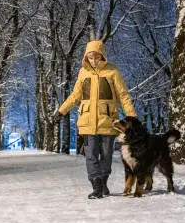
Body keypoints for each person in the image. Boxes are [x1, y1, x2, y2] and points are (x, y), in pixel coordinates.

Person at [54, 40, 137, 199]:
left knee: (106, 155)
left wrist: (132, 117)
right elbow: (75, 96)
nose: (93, 60)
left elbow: (123, 95)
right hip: (87, 123)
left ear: (102, 56)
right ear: (86, 57)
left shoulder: (113, 71)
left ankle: (103, 180)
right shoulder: (83, 73)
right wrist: (61, 111)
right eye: (90, 57)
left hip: (108, 121)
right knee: (91, 155)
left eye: (96, 57)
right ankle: (96, 186)